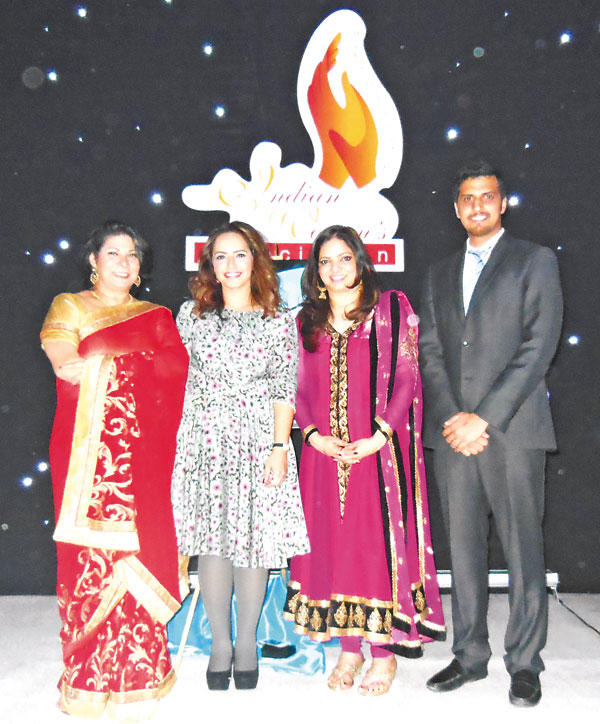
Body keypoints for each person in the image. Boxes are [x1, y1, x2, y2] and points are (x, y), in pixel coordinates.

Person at [419, 161, 563, 706]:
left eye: (487, 196)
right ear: (456, 209)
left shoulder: (534, 260)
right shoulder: (438, 273)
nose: (477, 205)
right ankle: (469, 655)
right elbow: (430, 352)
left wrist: (483, 417)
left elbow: (538, 346)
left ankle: (524, 663)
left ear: (502, 204)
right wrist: (454, 417)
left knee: (523, 547)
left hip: (513, 430)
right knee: (463, 547)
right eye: (467, 198)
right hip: (453, 434)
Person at [283, 225, 445, 696]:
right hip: (323, 456)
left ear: (360, 261)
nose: (335, 269)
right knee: (332, 547)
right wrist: (312, 435)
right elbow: (297, 385)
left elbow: (408, 376)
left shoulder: (391, 308)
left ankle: (383, 652)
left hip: (378, 453)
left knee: (374, 549)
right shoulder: (305, 321)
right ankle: (349, 649)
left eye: (344, 258)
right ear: (316, 270)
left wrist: (380, 435)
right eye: (325, 261)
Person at [40, 221, 189, 719]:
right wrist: (128, 360)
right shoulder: (70, 305)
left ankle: (139, 676)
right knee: (87, 559)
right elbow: (64, 362)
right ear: (94, 260)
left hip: (142, 458)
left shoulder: (157, 316)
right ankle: (86, 680)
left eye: (132, 255)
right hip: (83, 456)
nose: (124, 263)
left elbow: (175, 372)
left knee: (138, 552)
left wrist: (107, 359)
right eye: (113, 254)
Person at [170, 220, 309, 690]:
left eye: (240, 254)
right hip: (205, 440)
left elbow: (284, 387)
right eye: (221, 256)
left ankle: (246, 643)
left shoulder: (278, 319)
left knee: (254, 542)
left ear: (256, 261)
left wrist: (279, 447)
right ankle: (220, 645)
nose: (230, 265)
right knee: (213, 542)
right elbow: (171, 376)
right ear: (210, 264)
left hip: (258, 440)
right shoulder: (191, 316)